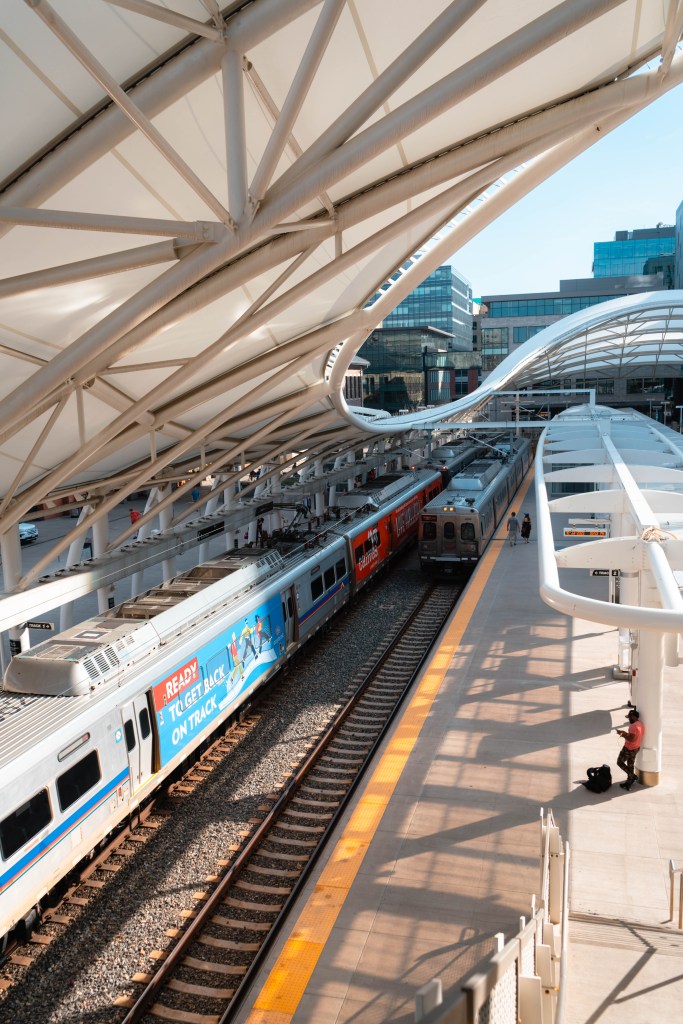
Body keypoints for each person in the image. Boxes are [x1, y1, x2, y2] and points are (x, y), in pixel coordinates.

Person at [616, 708, 644, 790]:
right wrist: (625, 733)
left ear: (633, 717)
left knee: (619, 762)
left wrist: (622, 734)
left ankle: (632, 776)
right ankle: (629, 782)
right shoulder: (640, 724)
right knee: (630, 765)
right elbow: (634, 736)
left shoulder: (633, 726)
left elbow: (631, 739)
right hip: (636, 748)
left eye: (630, 717)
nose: (629, 719)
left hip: (628, 748)